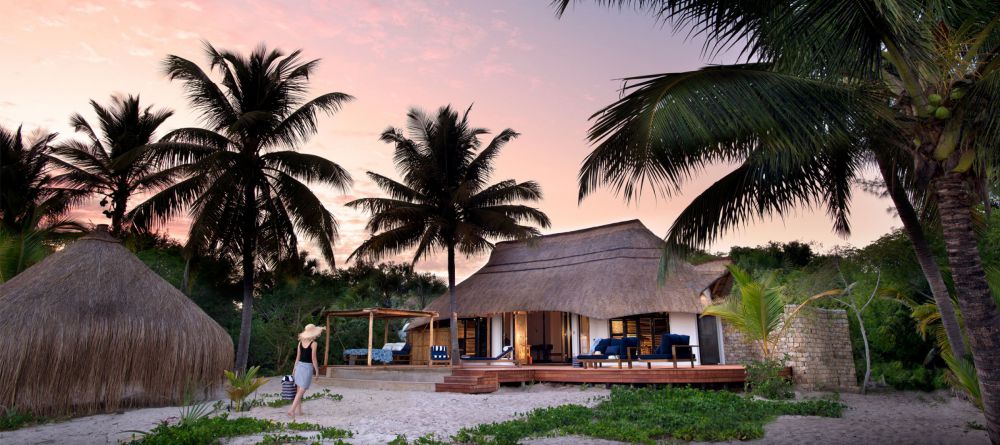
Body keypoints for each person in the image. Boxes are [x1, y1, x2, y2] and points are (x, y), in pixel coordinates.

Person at [288, 323, 323, 417]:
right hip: (307, 368)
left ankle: (299, 411)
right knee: (301, 390)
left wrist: (294, 368)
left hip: (299, 366)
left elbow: (297, 357)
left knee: (299, 390)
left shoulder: (300, 342)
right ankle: (291, 410)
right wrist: (317, 371)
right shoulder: (314, 343)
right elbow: (314, 358)